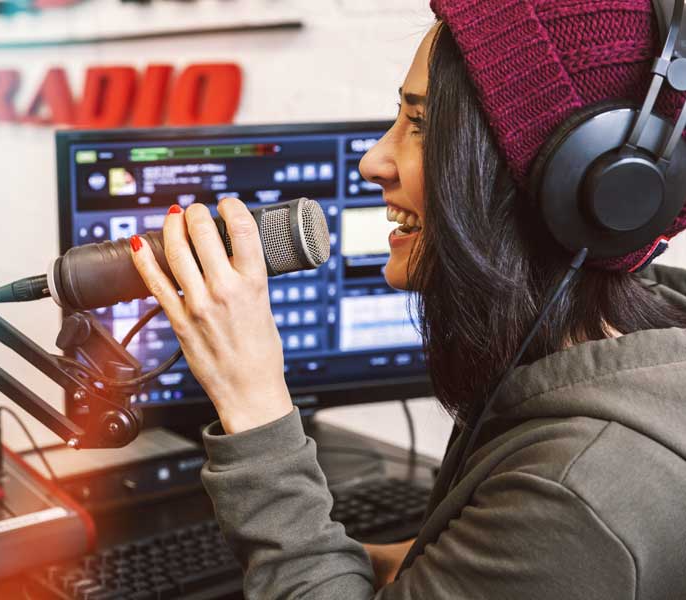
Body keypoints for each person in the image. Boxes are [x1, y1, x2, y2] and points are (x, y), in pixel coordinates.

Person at [130, 0, 686, 597]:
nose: (374, 161)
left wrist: (252, 399)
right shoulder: (600, 357)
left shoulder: (576, 489)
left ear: (579, 184)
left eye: (422, 126)